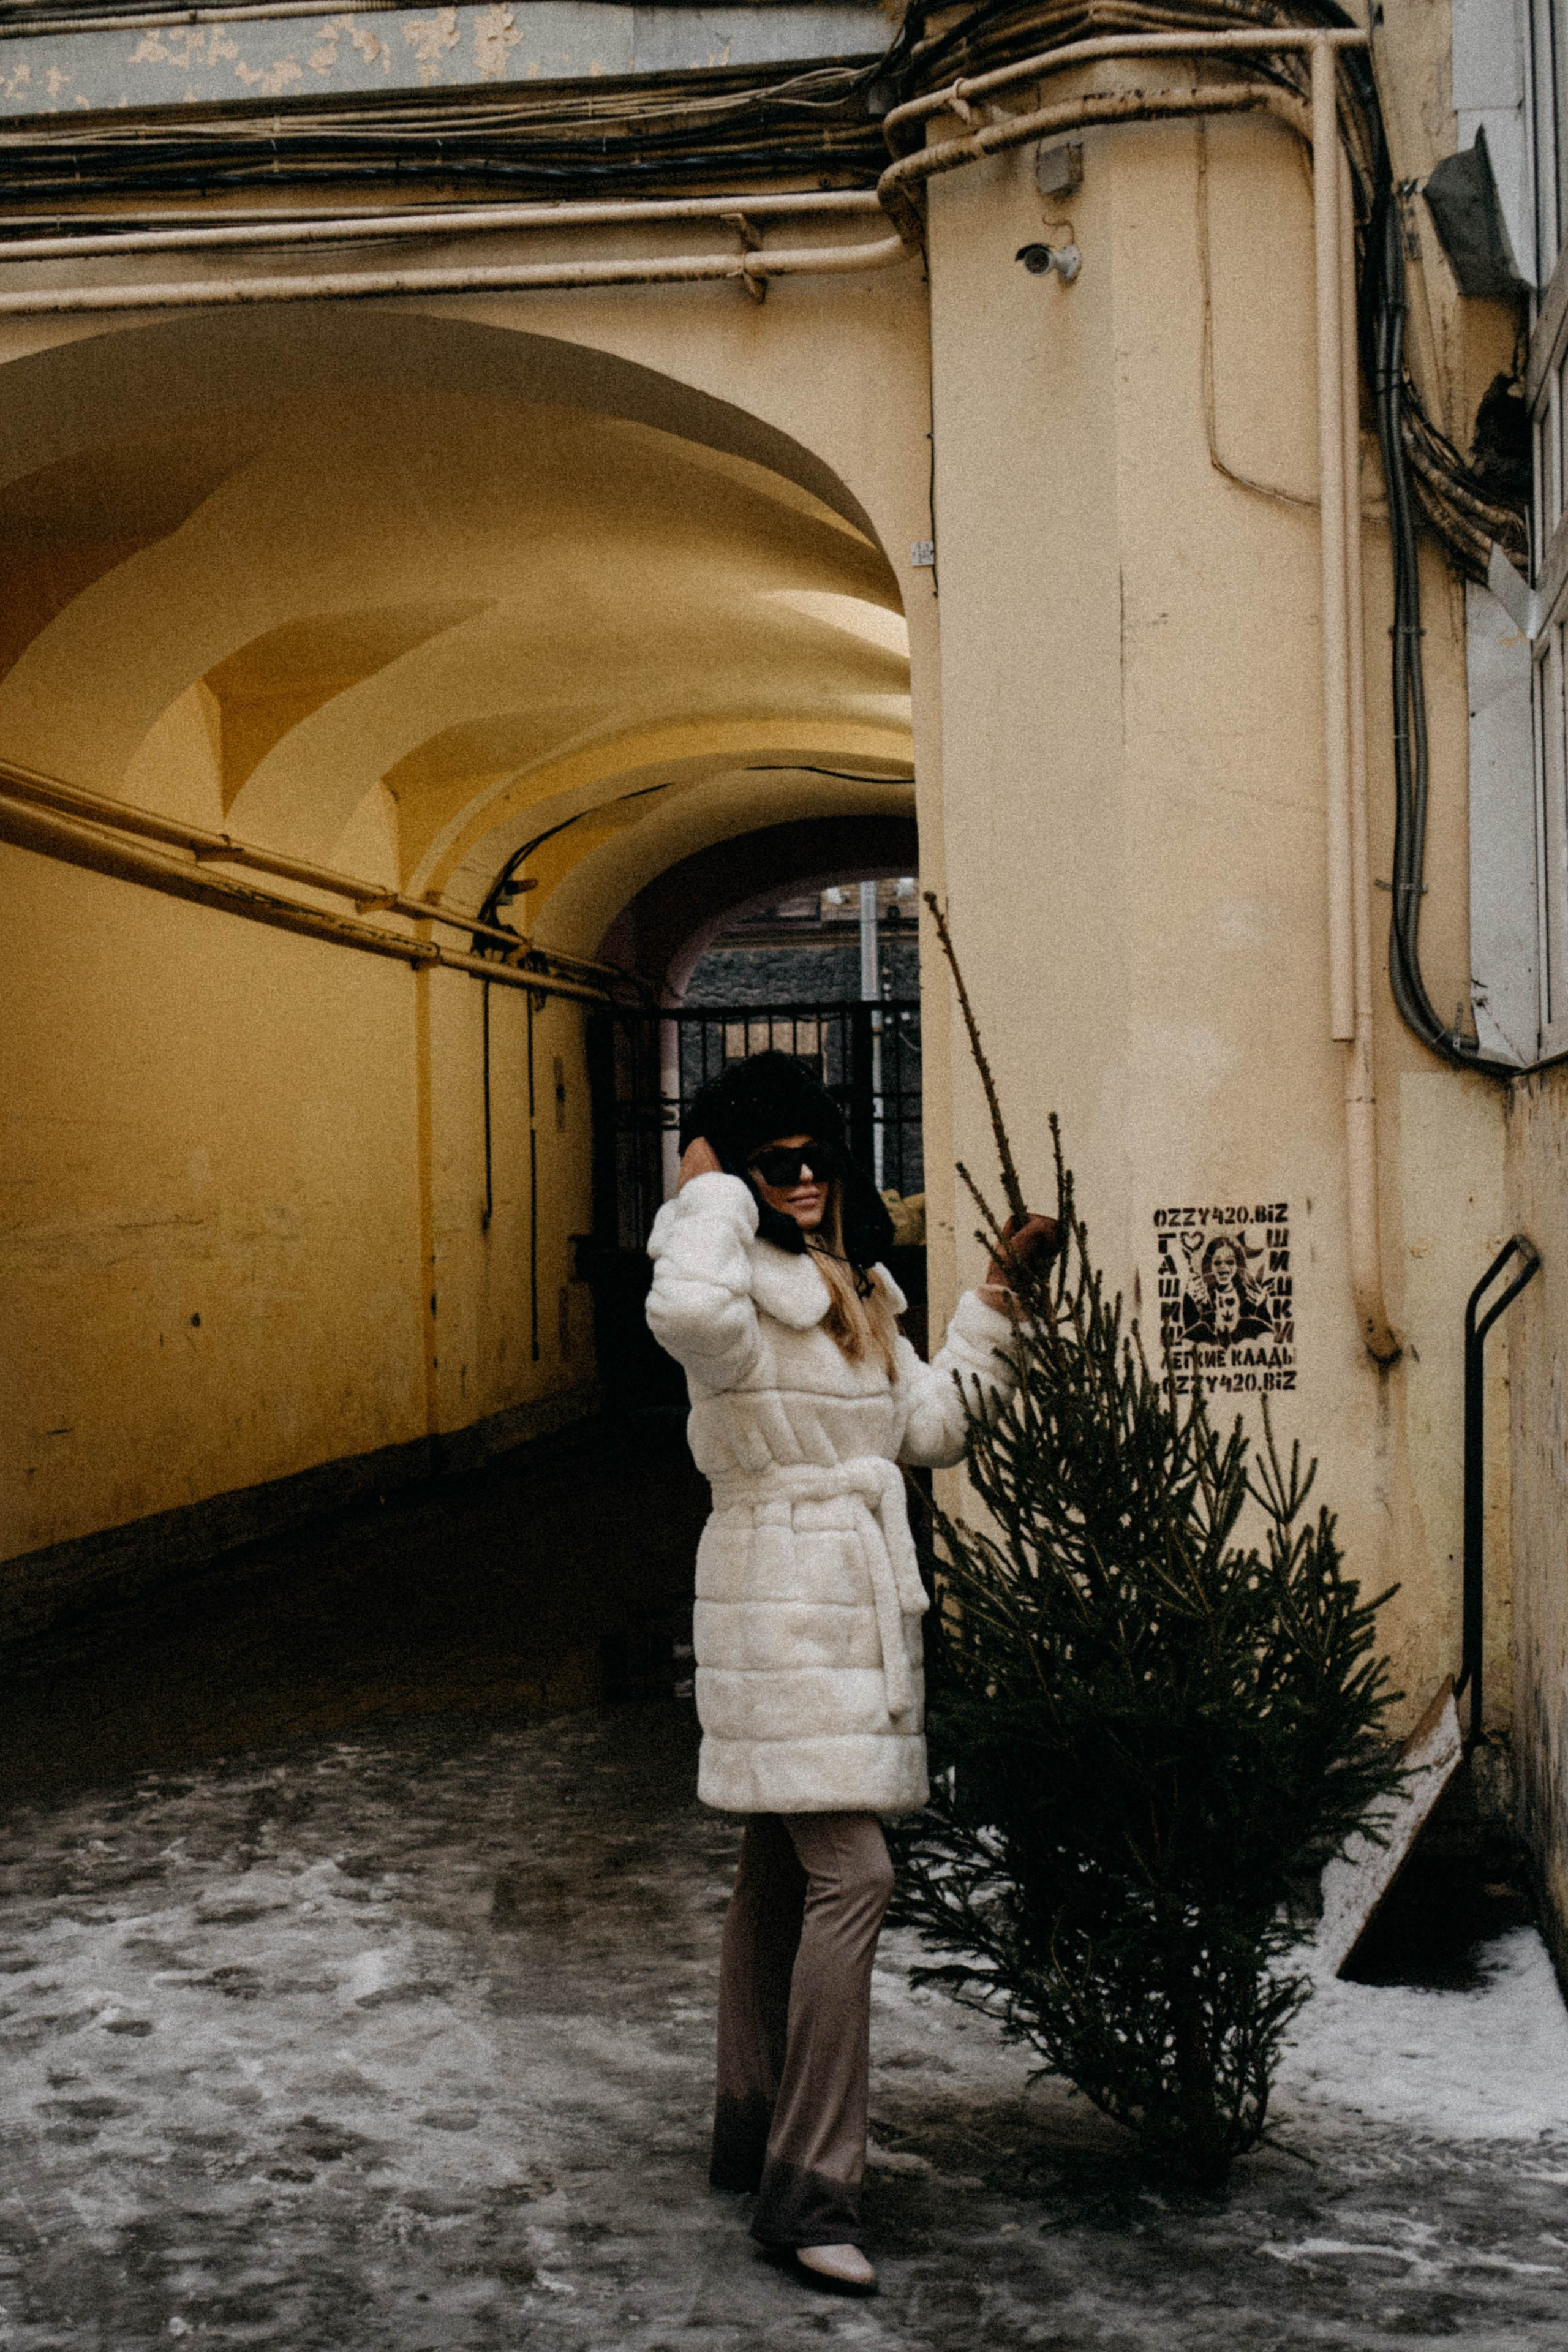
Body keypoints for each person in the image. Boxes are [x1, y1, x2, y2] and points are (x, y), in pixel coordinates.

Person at [646, 1050, 1057, 2298]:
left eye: (819, 1153)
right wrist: (705, 1188)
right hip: (779, 1600)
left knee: (783, 1873)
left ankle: (747, 2125)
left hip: (853, 1593)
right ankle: (808, 2189)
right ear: (734, 1169)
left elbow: (928, 1431)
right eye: (777, 1159)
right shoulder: (724, 1276)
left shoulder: (855, 1280)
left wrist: (990, 1299)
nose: (808, 1177)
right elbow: (685, 1319)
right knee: (854, 1873)